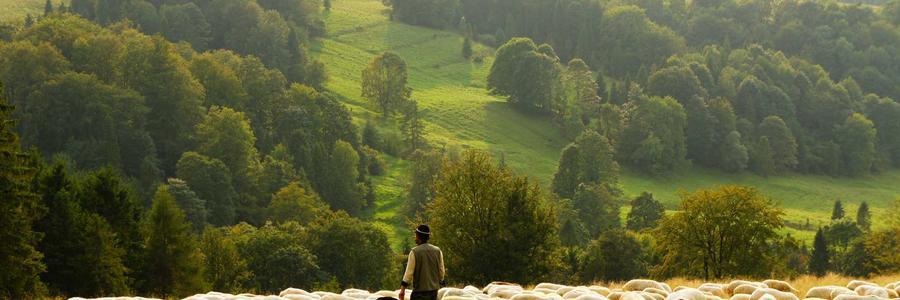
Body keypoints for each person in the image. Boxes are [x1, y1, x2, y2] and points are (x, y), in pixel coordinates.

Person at [399, 225, 445, 300]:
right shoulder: (438, 251)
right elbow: (441, 271)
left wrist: (402, 290)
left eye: (416, 235)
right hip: (433, 293)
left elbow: (408, 274)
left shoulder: (414, 252)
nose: (415, 237)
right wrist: (440, 282)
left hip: (419, 294)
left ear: (418, 236)